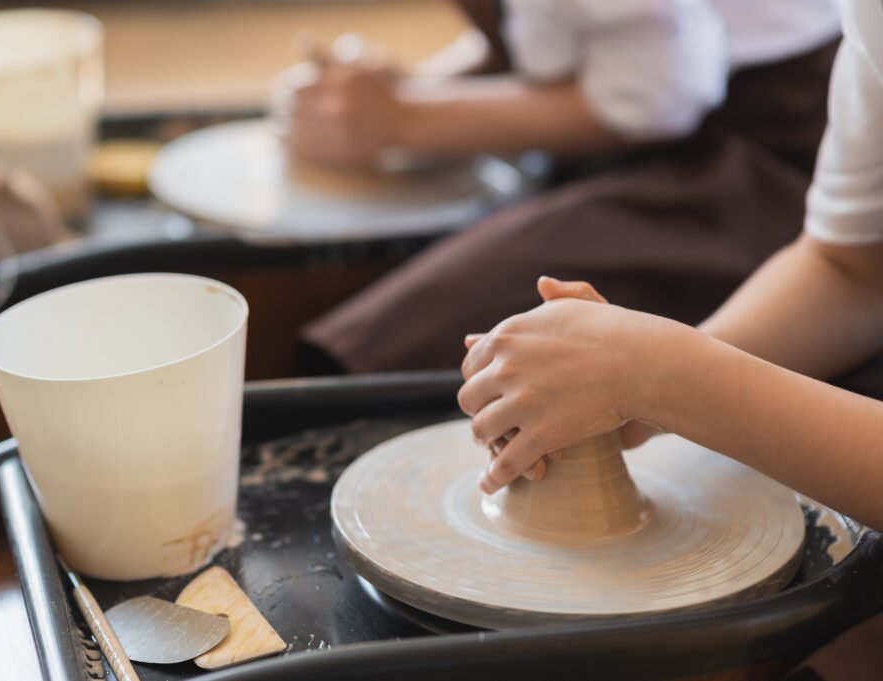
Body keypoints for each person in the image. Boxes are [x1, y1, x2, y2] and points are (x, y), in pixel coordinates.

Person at [457, 0, 883, 533]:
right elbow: (855, 269)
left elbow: (657, 91)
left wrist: (669, 378)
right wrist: (631, 389)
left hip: (750, 150)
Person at [278, 0, 841, 374]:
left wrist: (403, 120)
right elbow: (553, 35)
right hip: (641, 116)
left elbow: (655, 95)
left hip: (748, 164)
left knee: (383, 346)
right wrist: (414, 91)